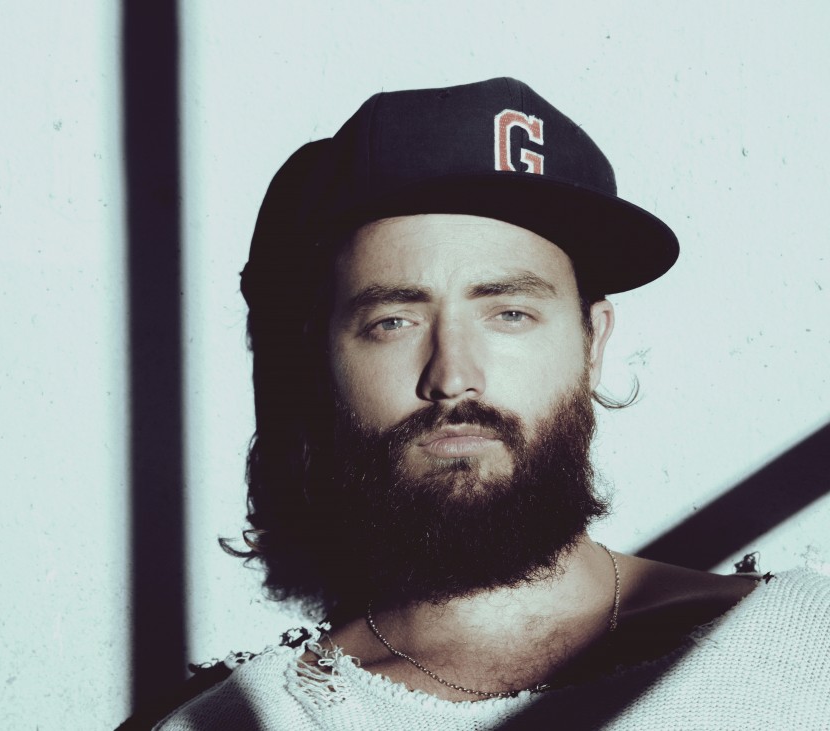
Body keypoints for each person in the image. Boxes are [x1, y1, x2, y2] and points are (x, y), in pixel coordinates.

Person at [150, 78, 830, 729]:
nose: (452, 377)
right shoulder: (246, 721)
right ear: (324, 359)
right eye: (394, 321)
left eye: (509, 313)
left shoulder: (808, 641)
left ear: (592, 343)